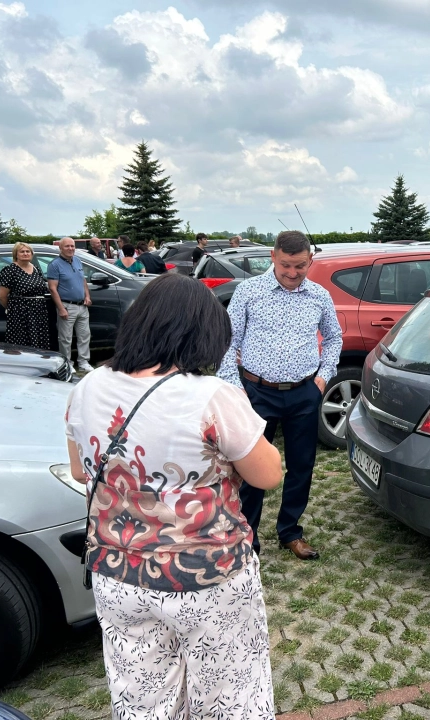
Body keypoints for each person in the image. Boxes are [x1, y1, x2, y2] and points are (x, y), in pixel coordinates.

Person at [65, 272, 283, 719]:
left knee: (142, 696)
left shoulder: (87, 387)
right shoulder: (212, 396)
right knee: (228, 693)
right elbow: (268, 475)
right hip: (205, 576)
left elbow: (79, 470)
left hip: (117, 572)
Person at [219, 230, 343, 561]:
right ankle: (248, 537)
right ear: (273, 257)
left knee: (302, 465)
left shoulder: (319, 296)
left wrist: (323, 377)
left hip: (304, 393)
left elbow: (333, 337)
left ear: (310, 261)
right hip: (256, 393)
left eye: (300, 266)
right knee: (251, 467)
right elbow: (227, 341)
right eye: (286, 265)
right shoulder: (249, 292)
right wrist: (234, 389)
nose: (292, 272)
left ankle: (290, 531)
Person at [47, 237, 93, 374]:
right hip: (67, 306)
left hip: (82, 306)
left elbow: (82, 280)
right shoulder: (54, 265)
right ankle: (67, 363)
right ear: (60, 248)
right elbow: (52, 288)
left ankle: (83, 362)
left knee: (84, 336)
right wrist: (61, 308)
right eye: (67, 246)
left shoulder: (77, 260)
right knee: (65, 338)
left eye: (72, 246)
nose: (70, 248)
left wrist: (87, 296)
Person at [0, 242, 50, 349]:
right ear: (16, 254)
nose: (25, 254)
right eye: (22, 251)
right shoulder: (10, 270)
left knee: (39, 340)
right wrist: (14, 309)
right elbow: (2, 296)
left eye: (28, 251)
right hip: (21, 314)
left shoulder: (36, 268)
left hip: (39, 312)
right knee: (22, 343)